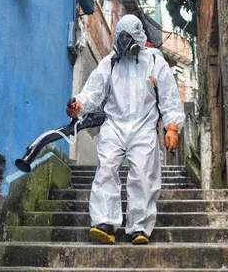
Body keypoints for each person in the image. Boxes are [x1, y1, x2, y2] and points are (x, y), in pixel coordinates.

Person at [66, 15, 185, 245]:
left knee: (142, 175)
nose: (123, 41)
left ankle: (138, 227)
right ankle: (104, 222)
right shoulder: (110, 62)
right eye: (120, 36)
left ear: (138, 37)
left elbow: (169, 97)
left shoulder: (154, 62)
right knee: (106, 169)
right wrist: (78, 105)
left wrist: (172, 127)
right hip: (114, 125)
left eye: (127, 37)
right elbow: (93, 91)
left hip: (143, 127)